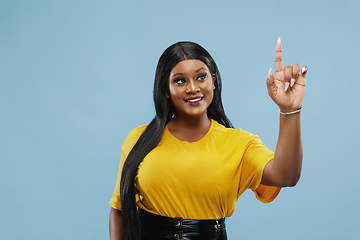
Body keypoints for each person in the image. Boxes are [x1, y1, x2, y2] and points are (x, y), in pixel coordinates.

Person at [109, 39, 308, 240]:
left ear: (213, 81)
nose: (192, 88)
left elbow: (286, 176)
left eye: (201, 77)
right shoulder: (138, 139)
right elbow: (119, 211)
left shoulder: (239, 143)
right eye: (180, 80)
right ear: (166, 89)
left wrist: (289, 110)